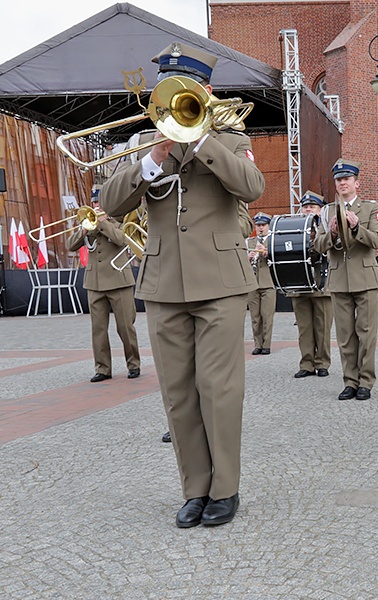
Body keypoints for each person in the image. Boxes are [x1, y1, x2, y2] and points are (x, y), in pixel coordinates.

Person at [102, 41, 265, 527]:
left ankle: (225, 488)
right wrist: (153, 159)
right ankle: (194, 488)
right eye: (166, 89)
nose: (173, 98)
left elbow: (252, 186)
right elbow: (111, 202)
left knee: (218, 387)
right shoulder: (143, 147)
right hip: (163, 283)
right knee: (178, 392)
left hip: (220, 281)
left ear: (206, 91)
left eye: (185, 90)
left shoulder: (231, 139)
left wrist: (200, 141)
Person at [313, 159, 378, 401]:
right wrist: (332, 233)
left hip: (365, 277)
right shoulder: (327, 211)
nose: (343, 183)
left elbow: (377, 241)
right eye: (339, 180)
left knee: (366, 333)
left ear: (357, 182)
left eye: (347, 179)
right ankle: (349, 381)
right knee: (344, 335)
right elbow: (318, 245)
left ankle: (366, 381)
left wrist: (356, 229)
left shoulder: (370, 208)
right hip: (339, 278)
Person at [66, 191, 141, 383]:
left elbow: (121, 239)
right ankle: (102, 368)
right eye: (94, 202)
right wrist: (83, 229)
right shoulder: (87, 223)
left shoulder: (121, 220)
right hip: (94, 282)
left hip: (118, 280)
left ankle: (133, 364)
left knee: (125, 327)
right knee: (98, 329)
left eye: (99, 202)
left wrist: (103, 222)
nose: (96, 206)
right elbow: (70, 245)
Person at [290, 191, 333, 378]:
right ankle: (306, 363)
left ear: (320, 209)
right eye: (305, 207)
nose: (308, 210)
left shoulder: (327, 226)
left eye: (312, 207)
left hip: (321, 281)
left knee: (322, 326)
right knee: (304, 327)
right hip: (300, 282)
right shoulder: (293, 228)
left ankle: (322, 362)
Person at [247, 212, 276, 355]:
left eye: (263, 225)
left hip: (268, 282)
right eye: (258, 225)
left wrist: (267, 253)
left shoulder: (273, 240)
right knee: (255, 316)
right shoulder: (250, 242)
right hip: (253, 282)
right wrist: (249, 257)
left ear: (268, 226)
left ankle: (267, 344)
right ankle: (257, 344)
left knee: (267, 315)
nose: (260, 228)